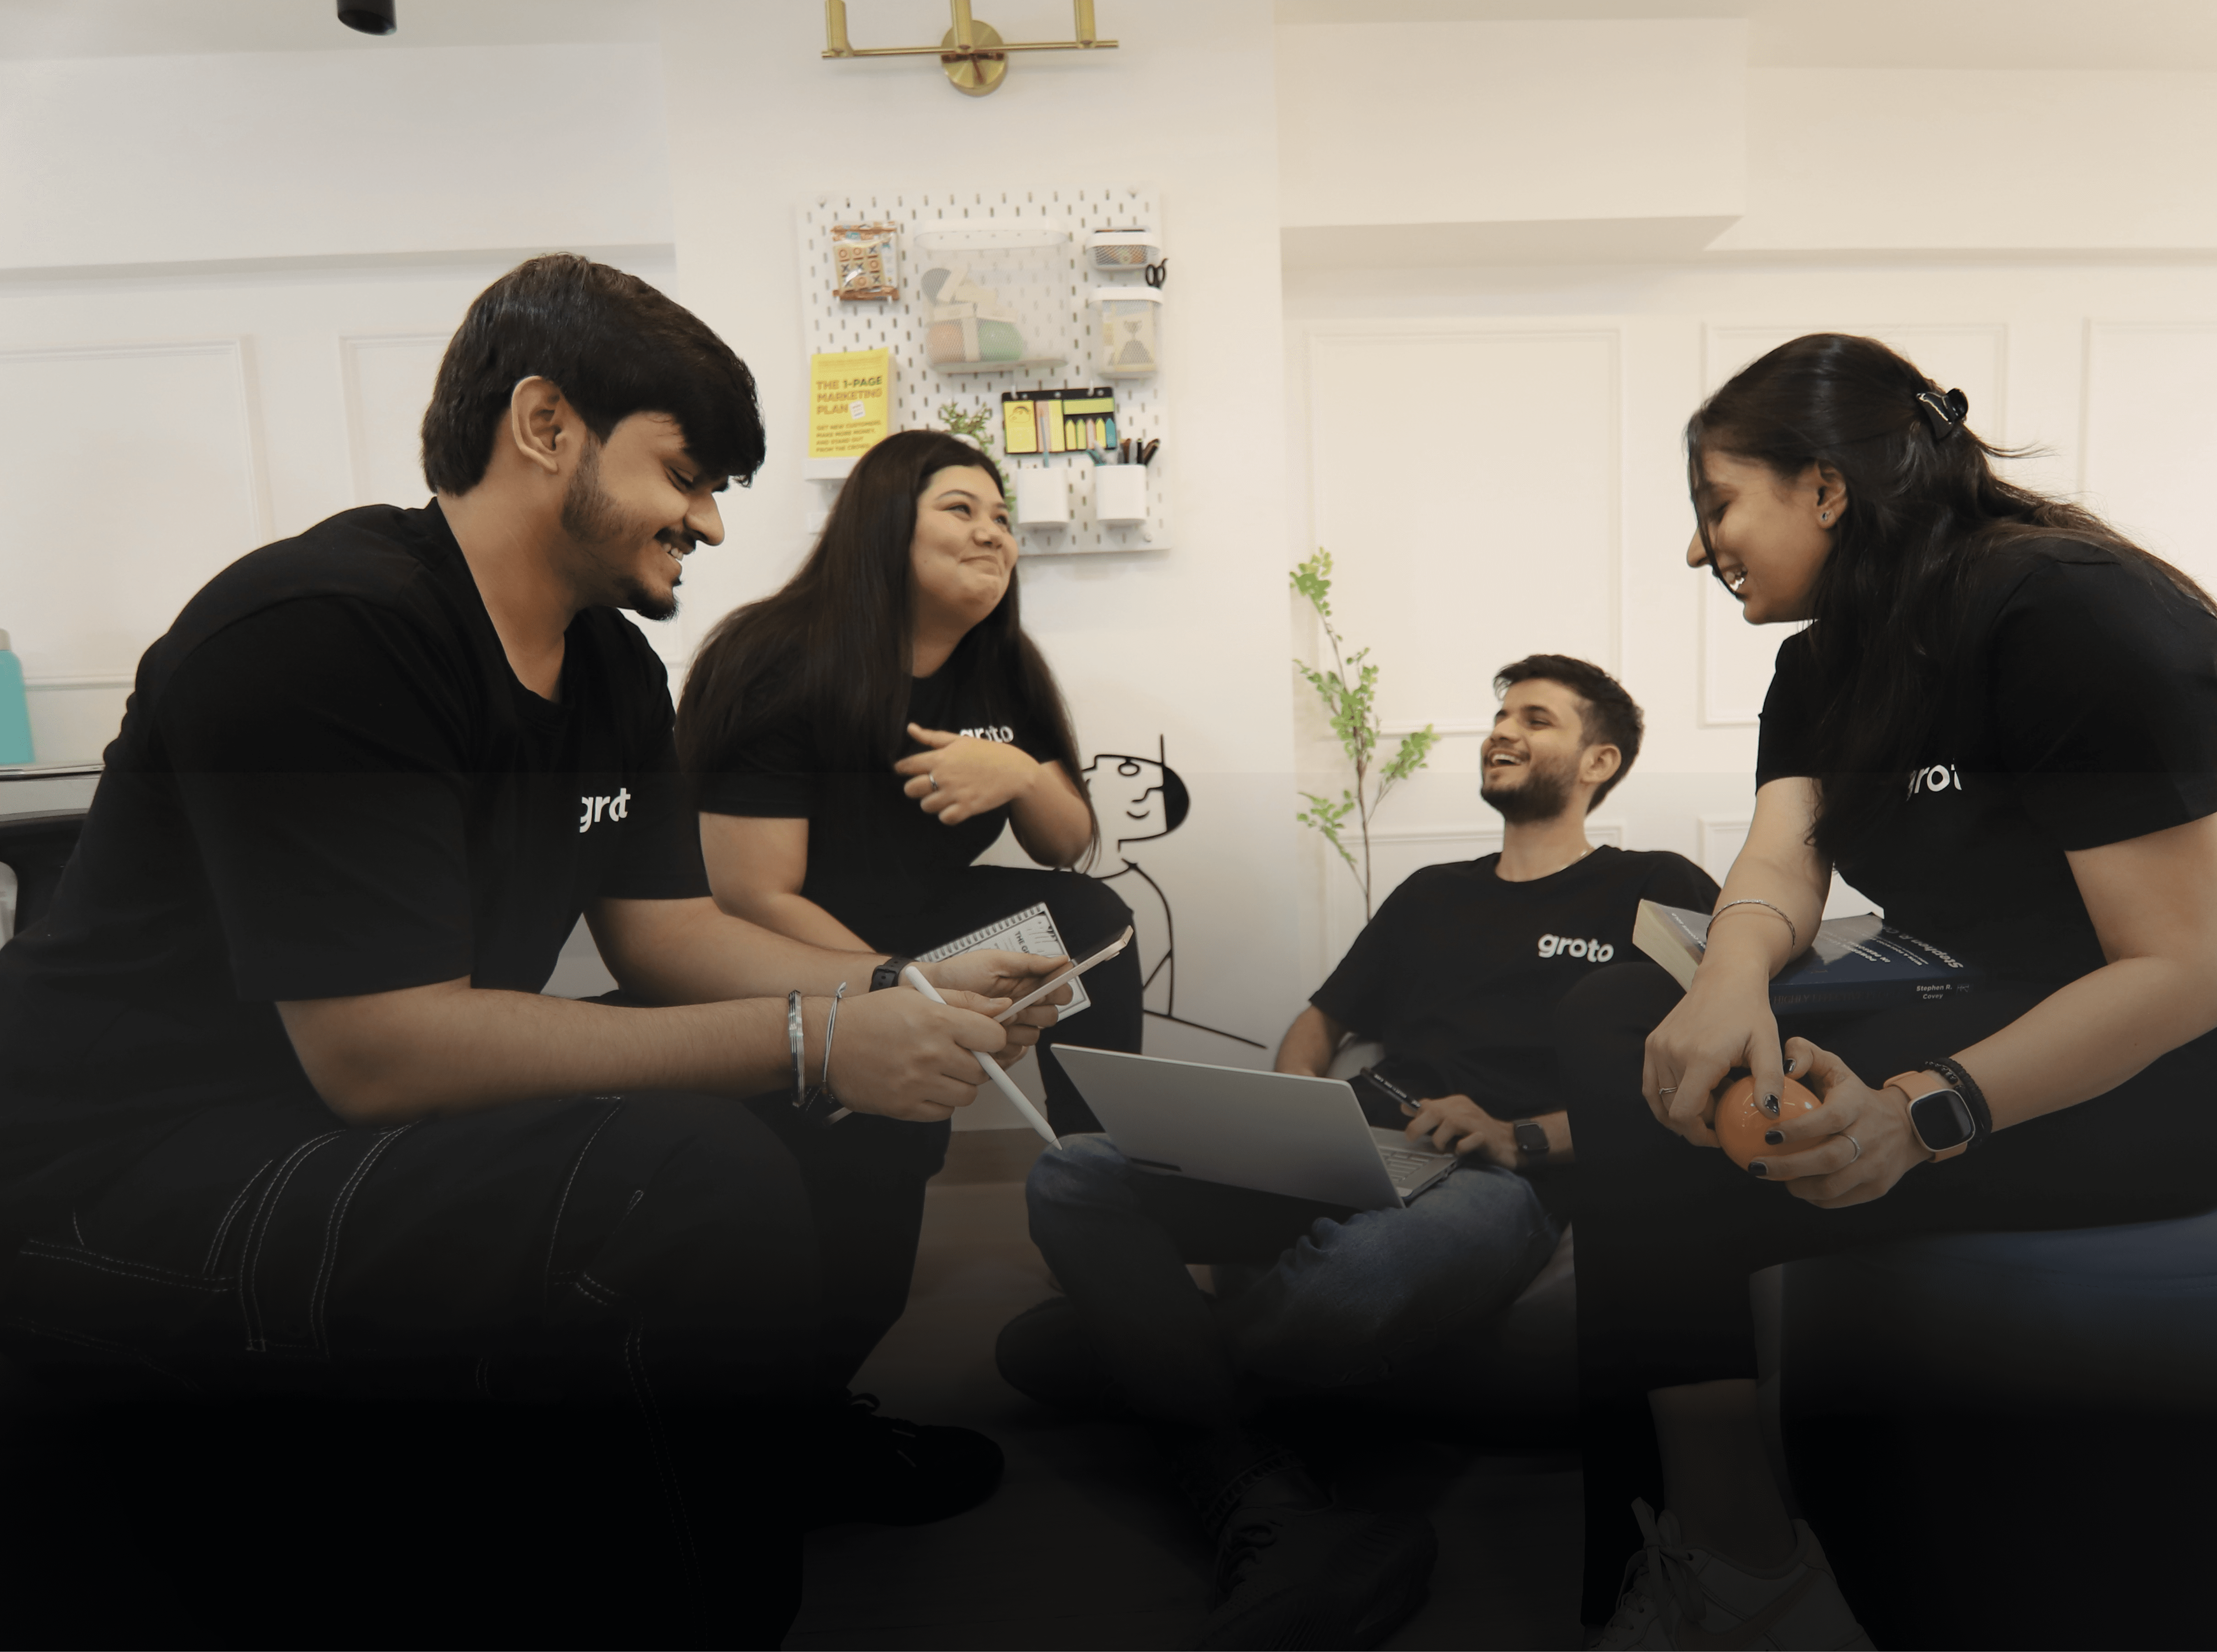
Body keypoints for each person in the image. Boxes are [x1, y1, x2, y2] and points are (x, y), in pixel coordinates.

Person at [0, 255, 1068, 1646]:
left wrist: (897, 998)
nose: (709, 525)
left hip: (312, 1114)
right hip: (122, 1172)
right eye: (685, 476)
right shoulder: (325, 631)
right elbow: (378, 1051)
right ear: (548, 425)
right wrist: (814, 1035)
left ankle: (770, 1439)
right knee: (695, 1170)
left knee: (845, 1101)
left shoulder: (612, 669)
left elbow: (674, 934)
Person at [1555, 335, 2217, 1650]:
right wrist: (1731, 976)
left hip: (2192, 1050)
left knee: (1667, 1161)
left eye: (1716, 505)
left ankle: (1739, 1574)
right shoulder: (1821, 666)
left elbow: (2185, 972)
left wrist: (1921, 1114)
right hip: (1984, 987)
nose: (1701, 551)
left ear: (1824, 488)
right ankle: (1724, 1552)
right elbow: (1777, 865)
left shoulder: (2068, 612)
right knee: (1625, 1037)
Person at [1001, 655, 1720, 1652]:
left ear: (1601, 760)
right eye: (1500, 714)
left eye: (1537, 719)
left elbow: (1704, 1058)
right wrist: (1289, 1110)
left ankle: (1162, 1371)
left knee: (1360, 1279)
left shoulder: (1652, 885)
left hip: (1497, 1175)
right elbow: (1322, 1018)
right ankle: (1198, 1378)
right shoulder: (1432, 892)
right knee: (1071, 1174)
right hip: (1346, 1134)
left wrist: (1522, 1136)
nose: (1503, 730)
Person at [678, 430, 1141, 1187]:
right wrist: (908, 987)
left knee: (1092, 919)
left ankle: (1105, 1188)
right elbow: (752, 896)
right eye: (961, 508)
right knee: (886, 1192)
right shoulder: (773, 659)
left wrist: (1022, 774)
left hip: (927, 921)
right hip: (797, 940)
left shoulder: (1003, 667)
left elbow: (1067, 844)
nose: (992, 531)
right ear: (885, 525)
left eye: (1001, 516)